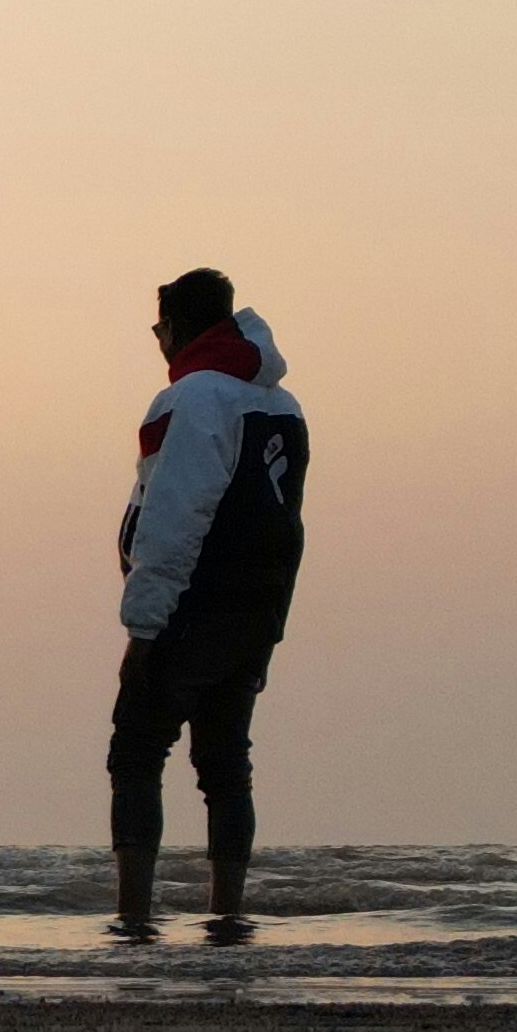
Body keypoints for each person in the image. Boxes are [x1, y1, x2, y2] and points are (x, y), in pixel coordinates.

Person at [111, 268, 309, 943]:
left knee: (137, 751)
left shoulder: (192, 398)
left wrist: (144, 623)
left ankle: (134, 916)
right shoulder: (284, 406)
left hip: (192, 605)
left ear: (178, 327)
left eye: (159, 328)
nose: (157, 342)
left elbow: (173, 513)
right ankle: (227, 912)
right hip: (256, 613)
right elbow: (288, 522)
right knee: (226, 763)